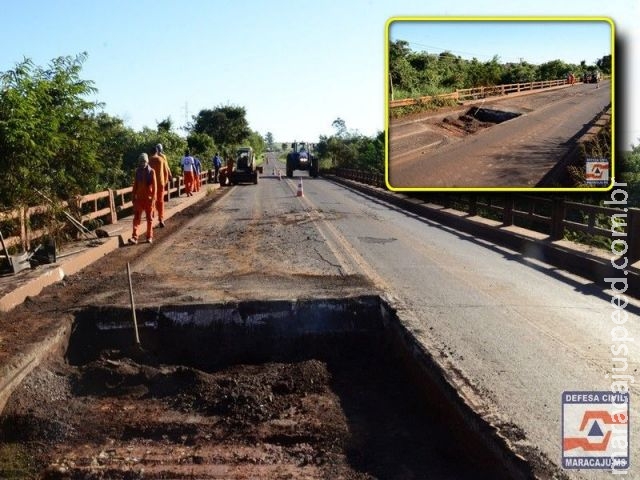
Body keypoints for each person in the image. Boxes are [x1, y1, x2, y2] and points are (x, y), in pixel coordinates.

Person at [128, 153, 157, 244]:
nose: (142, 163)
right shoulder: (137, 172)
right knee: (136, 218)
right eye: (141, 161)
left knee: (149, 219)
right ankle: (134, 237)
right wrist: (133, 196)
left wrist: (153, 199)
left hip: (148, 199)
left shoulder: (151, 171)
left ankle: (149, 237)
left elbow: (155, 187)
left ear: (147, 161)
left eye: (144, 161)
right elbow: (135, 185)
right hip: (139, 200)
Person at [149, 143, 171, 228]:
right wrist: (164, 181)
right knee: (160, 201)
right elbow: (166, 170)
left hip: (151, 184)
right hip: (160, 183)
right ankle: (161, 219)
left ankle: (152, 214)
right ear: (158, 151)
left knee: (152, 200)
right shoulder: (162, 159)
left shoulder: (149, 160)